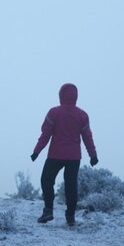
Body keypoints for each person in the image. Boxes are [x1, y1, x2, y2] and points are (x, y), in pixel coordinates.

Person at [30, 83, 98, 226]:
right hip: (74, 158)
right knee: (71, 186)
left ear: (60, 95)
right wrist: (93, 155)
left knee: (46, 180)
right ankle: (70, 217)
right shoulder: (82, 115)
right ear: (76, 96)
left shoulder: (54, 113)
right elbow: (87, 137)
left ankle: (48, 210)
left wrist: (37, 151)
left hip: (55, 155)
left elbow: (46, 135)